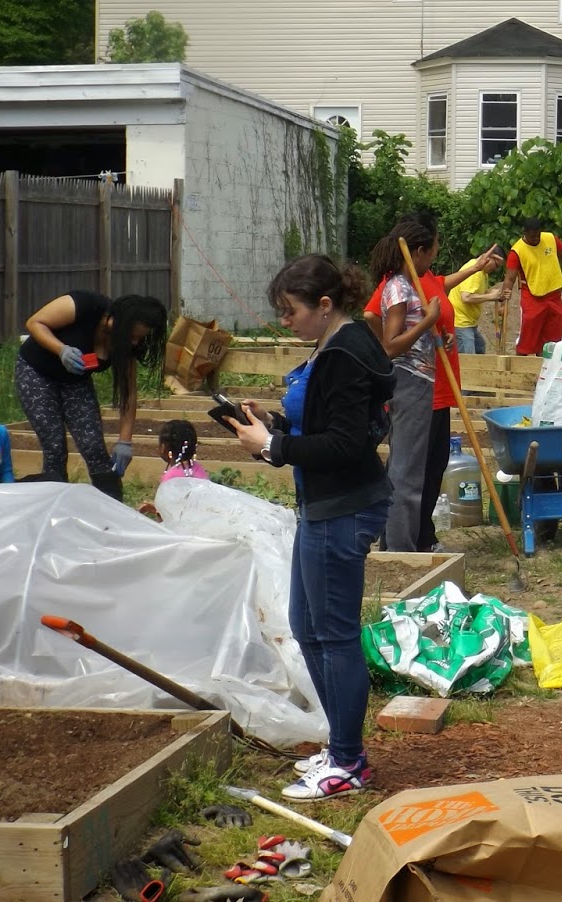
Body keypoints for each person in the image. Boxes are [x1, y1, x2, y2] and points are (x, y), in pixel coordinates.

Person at [228, 254, 396, 801]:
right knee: (307, 627)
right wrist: (275, 426)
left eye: (291, 311)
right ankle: (343, 747)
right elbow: (328, 425)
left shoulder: (345, 354)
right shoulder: (336, 345)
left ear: (325, 306)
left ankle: (348, 763)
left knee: (336, 636)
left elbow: (348, 443)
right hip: (323, 503)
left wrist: (274, 447)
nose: (286, 321)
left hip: (342, 507)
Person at [364, 214, 493, 552]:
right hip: (410, 384)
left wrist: (438, 339)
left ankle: (398, 546)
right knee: (407, 475)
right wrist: (429, 321)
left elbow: (412, 336)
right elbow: (391, 346)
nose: (435, 257)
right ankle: (403, 552)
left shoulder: (413, 285)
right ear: (418, 251)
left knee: (412, 470)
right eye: (434, 250)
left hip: (422, 380)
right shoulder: (399, 289)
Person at [16, 291, 167, 499]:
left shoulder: (127, 346)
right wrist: (61, 350)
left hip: (75, 383)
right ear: (116, 322)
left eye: (139, 338)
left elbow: (129, 394)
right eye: (132, 335)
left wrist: (125, 441)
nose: (134, 342)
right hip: (37, 373)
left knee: (94, 447)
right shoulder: (85, 305)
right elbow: (35, 323)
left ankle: (111, 511)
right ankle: (51, 507)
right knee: (55, 447)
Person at [500, 217, 562, 356]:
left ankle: (545, 369)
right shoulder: (517, 251)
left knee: (552, 342)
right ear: (524, 232)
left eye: (538, 235)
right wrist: (503, 302)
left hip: (553, 296)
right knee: (528, 335)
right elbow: (509, 279)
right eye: (532, 236)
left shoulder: (550, 239)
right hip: (532, 297)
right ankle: (521, 366)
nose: (536, 239)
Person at [450, 251, 508, 355]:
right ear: (489, 257)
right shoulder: (475, 272)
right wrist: (490, 296)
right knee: (470, 357)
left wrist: (495, 294)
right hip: (461, 322)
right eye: (496, 265)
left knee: (480, 346)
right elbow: (466, 297)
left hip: (470, 322)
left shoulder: (483, 273)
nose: (495, 269)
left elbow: (479, 293)